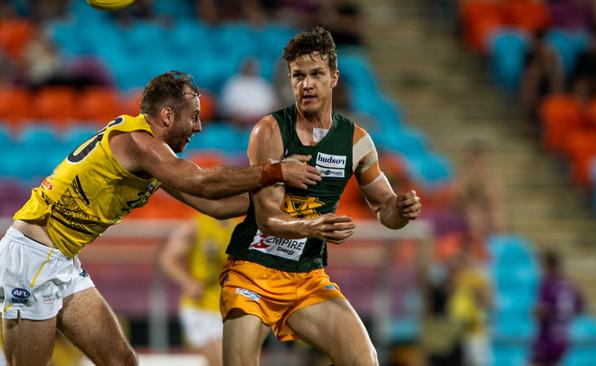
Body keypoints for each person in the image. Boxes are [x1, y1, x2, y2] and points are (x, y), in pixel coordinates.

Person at [0, 71, 323, 365]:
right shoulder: (139, 143)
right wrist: (275, 171)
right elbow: (203, 183)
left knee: (123, 362)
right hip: (32, 259)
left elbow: (213, 206)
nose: (198, 126)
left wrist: (286, 199)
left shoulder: (153, 156)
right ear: (167, 115)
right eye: (193, 116)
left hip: (60, 260)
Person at [219, 27, 422, 366]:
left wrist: (401, 209)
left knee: (364, 360)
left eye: (316, 74)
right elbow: (268, 219)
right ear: (289, 79)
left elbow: (386, 210)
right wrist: (315, 227)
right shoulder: (269, 131)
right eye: (298, 76)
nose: (307, 84)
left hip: (307, 278)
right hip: (252, 271)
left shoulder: (357, 142)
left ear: (334, 77)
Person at [159, 213, 240, 366]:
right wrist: (188, 283)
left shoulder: (236, 227)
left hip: (227, 307)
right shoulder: (194, 227)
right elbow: (168, 259)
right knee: (223, 361)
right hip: (200, 308)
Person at [530, 250, 585, 366]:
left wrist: (534, 312)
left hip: (547, 337)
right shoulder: (571, 285)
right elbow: (580, 309)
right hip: (564, 338)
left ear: (548, 265)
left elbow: (543, 311)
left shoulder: (547, 283)